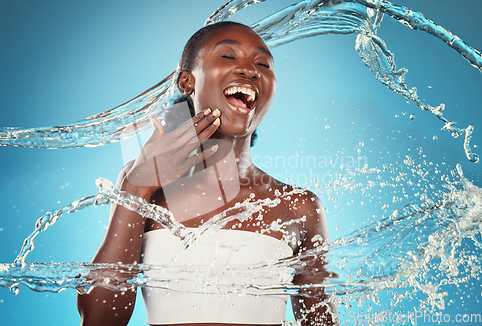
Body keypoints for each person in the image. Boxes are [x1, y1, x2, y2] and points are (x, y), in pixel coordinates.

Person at [77, 21, 339, 326]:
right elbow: (98, 320)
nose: (250, 70)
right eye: (228, 56)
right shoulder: (140, 184)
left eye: (263, 64)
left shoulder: (299, 206)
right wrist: (138, 187)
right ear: (186, 82)